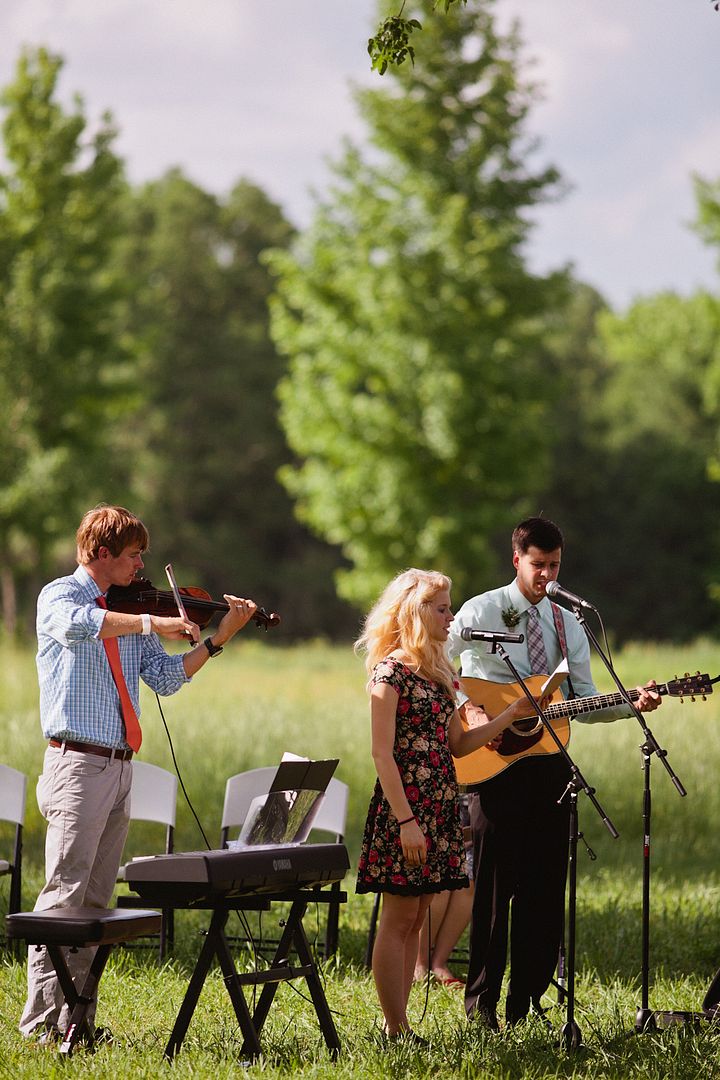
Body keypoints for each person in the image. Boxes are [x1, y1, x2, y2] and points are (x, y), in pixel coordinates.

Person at [20, 504, 258, 1044]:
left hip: (120, 766)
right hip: (76, 763)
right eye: (132, 555)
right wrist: (153, 621)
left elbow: (168, 679)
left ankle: (74, 1021)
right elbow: (81, 628)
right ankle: (38, 1024)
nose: (141, 565)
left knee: (97, 900)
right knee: (64, 893)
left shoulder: (130, 609)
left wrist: (218, 638)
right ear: (100, 554)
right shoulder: (60, 596)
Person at [447, 516, 662, 1031]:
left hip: (551, 766)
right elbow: (436, 662)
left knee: (545, 890)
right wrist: (469, 709)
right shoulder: (480, 609)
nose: (546, 574)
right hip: (493, 766)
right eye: (538, 565)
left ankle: (526, 1002)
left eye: (555, 565)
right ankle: (482, 1008)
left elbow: (583, 700)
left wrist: (631, 704)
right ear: (516, 560)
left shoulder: (570, 622)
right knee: (496, 892)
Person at [355, 568, 548, 1042]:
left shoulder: (440, 672)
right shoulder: (390, 672)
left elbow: (459, 744)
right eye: (442, 608)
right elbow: (382, 753)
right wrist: (405, 821)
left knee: (419, 915)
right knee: (399, 917)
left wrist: (507, 716)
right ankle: (395, 1028)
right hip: (406, 810)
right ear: (417, 612)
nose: (451, 616)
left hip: (440, 806)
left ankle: (395, 1025)